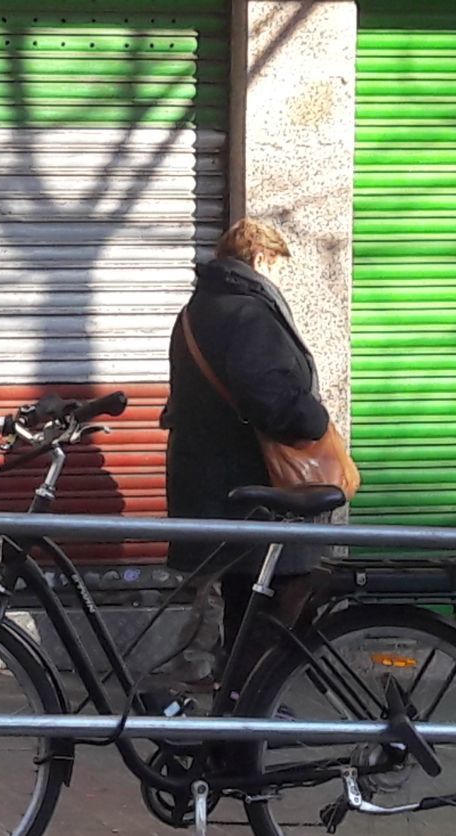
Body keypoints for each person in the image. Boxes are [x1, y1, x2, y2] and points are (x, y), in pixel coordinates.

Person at [151, 217, 336, 696]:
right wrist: (316, 421)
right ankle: (253, 713)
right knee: (280, 597)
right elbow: (268, 396)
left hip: (212, 482)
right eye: (281, 265)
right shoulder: (248, 313)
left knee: (242, 600)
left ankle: (239, 713)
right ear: (263, 259)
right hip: (257, 485)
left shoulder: (197, 310)